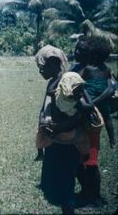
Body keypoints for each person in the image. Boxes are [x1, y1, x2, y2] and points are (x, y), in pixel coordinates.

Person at [35, 45, 91, 214]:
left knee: (66, 180)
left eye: (42, 67)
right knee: (55, 179)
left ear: (53, 63)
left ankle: (70, 206)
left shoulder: (68, 82)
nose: (40, 71)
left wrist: (60, 127)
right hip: (56, 139)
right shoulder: (53, 81)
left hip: (67, 139)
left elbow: (82, 112)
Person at [72, 37, 115, 208]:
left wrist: (92, 103)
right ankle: (87, 192)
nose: (76, 52)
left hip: (90, 119)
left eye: (81, 50)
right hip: (85, 118)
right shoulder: (84, 69)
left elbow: (112, 88)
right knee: (81, 161)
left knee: (90, 161)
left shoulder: (85, 70)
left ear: (91, 54)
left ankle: (95, 195)